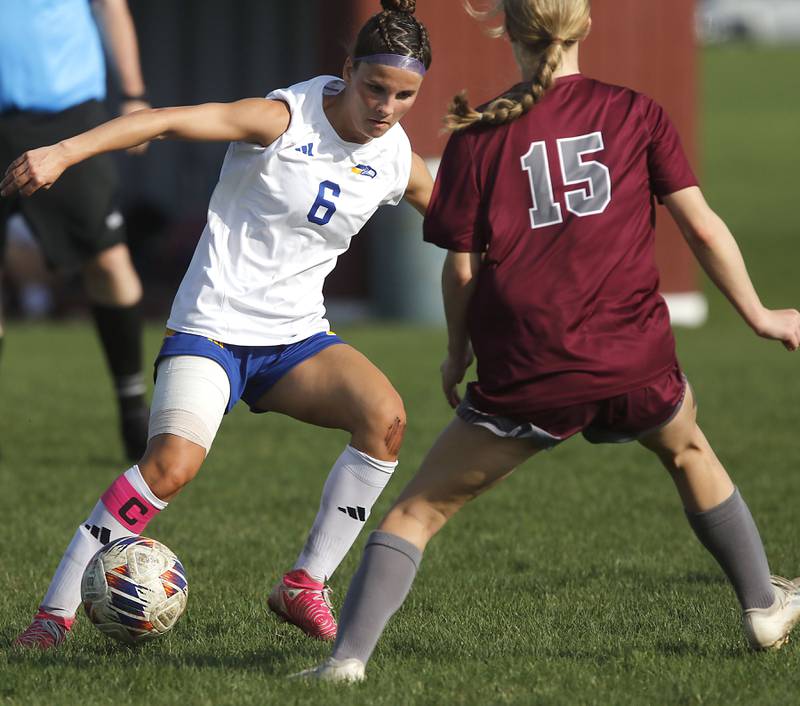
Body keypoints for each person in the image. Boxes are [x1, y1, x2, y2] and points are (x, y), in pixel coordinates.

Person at [296, 0, 800, 683]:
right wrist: (761, 315)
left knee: (418, 511)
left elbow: (462, 269)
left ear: (506, 28)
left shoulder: (479, 134)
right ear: (584, 24)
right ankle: (763, 605)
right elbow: (703, 228)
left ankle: (347, 660)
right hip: (634, 359)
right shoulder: (636, 112)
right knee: (688, 450)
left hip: (530, 367)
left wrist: (457, 352)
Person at [3, 0, 433, 649]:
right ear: (347, 71)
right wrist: (64, 152)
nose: (387, 107)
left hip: (296, 341)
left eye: (404, 96)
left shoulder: (396, 156)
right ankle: (52, 619)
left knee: (386, 419)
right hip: (213, 329)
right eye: (376, 88)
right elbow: (169, 121)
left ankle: (304, 584)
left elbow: (459, 218)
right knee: (170, 467)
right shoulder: (283, 118)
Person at [0, 0, 152, 460]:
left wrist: (133, 93)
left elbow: (110, 7)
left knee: (108, 260)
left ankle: (132, 407)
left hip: (64, 115)